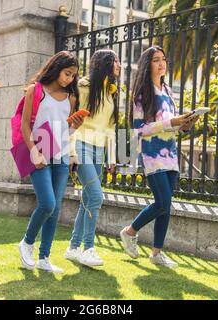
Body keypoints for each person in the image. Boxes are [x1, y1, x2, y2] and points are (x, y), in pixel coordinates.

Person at [119, 46, 199, 268]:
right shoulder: (142, 94)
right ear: (148, 65)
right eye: (156, 60)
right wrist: (171, 122)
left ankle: (156, 253)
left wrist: (184, 125)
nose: (162, 63)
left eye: (164, 59)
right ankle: (129, 231)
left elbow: (170, 127)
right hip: (153, 154)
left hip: (170, 153)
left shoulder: (167, 91)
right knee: (162, 202)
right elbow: (139, 129)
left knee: (167, 205)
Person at [18, 51, 84, 273]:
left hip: (62, 155)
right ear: (56, 69)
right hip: (40, 152)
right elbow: (25, 125)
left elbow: (66, 130)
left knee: (55, 210)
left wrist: (77, 125)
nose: (70, 79)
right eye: (67, 73)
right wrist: (33, 151)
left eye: (73, 75)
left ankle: (44, 258)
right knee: (47, 203)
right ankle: (27, 243)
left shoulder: (71, 98)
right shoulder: (35, 91)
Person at [64, 49, 120, 267]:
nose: (119, 65)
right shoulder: (84, 87)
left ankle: (72, 248)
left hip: (99, 150)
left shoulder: (110, 90)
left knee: (87, 200)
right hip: (81, 145)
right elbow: (71, 121)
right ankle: (88, 248)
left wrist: (112, 157)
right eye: (115, 61)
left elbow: (111, 127)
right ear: (105, 63)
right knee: (96, 197)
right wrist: (71, 153)